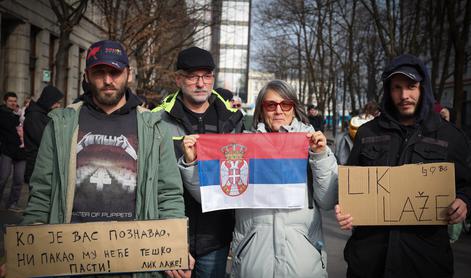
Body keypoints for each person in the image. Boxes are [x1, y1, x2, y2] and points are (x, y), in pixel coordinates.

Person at [19, 40, 190, 278]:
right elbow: (42, 192)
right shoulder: (61, 124)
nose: (108, 80)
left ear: (128, 74)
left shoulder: (154, 127)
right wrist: (29, 246)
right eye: (99, 72)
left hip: (134, 261)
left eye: (115, 72)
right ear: (87, 75)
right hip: (70, 259)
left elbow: (168, 193)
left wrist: (173, 244)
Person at [179, 80, 338, 277]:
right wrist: (192, 162)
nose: (278, 111)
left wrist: (320, 156)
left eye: (285, 104)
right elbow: (212, 195)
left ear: (294, 109)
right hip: (253, 262)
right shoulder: (242, 146)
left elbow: (328, 199)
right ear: (261, 110)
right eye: (271, 105)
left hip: (303, 263)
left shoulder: (313, 144)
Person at [335, 54, 471, 277]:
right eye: (397, 88)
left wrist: (465, 201)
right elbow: (350, 187)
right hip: (369, 261)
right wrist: (344, 209)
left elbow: (468, 184)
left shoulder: (450, 136)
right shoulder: (368, 133)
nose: (404, 95)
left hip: (425, 261)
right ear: (389, 92)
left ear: (423, 89)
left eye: (411, 86)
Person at [153, 46, 244, 278]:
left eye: (206, 76)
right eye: (193, 76)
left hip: (216, 238)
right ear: (178, 79)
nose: (201, 83)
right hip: (169, 233)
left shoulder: (232, 120)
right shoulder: (156, 119)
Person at [23, 85, 64, 184]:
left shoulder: (44, 114)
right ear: (48, 100)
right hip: (37, 166)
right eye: (56, 103)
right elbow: (44, 140)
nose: (58, 106)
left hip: (42, 165)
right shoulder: (35, 116)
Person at [0, 92, 26, 211]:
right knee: (3, 177)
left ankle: (12, 203)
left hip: (21, 152)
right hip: (7, 150)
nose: (13, 103)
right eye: (10, 101)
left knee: (19, 179)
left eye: (15, 101)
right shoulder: (2, 113)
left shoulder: (20, 114)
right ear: (5, 101)